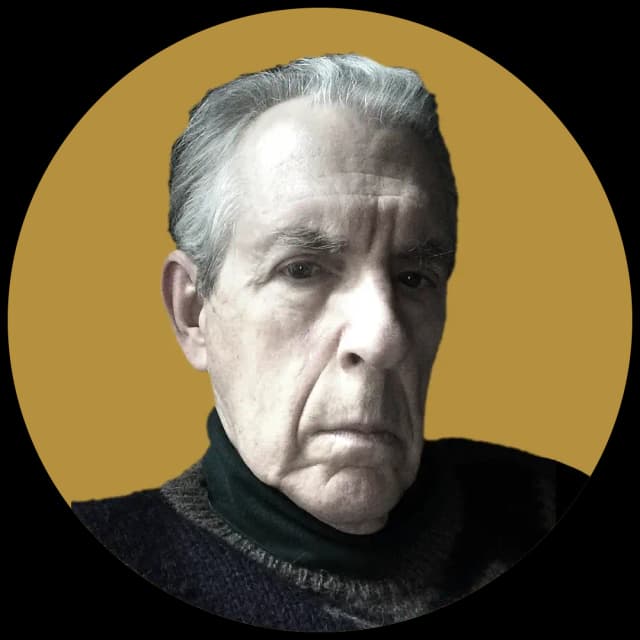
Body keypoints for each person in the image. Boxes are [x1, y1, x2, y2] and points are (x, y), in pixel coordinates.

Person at [72, 54, 587, 631]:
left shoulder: (550, 504)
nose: (383, 337)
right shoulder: (120, 550)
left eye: (414, 277)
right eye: (301, 270)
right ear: (193, 312)